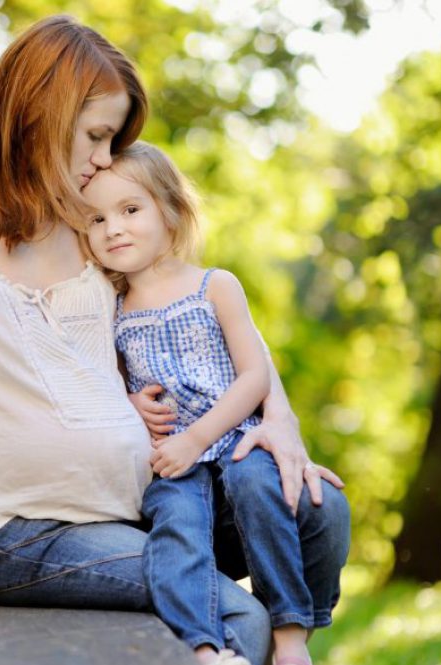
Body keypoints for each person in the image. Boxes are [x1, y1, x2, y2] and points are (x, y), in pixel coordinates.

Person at [0, 15, 349, 665]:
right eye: (96, 135)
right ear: (41, 111)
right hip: (25, 529)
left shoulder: (89, 229)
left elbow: (213, 313)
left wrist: (281, 419)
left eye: (113, 139)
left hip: (149, 500)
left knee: (314, 509)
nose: (104, 158)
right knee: (234, 612)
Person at [83, 141, 317, 665]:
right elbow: (108, 386)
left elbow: (254, 375)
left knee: (263, 494)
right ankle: (205, 647)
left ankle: (289, 635)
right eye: (95, 219)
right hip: (172, 459)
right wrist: (132, 403)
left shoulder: (216, 286)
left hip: (232, 437)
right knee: (175, 533)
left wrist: (198, 437)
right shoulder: (111, 307)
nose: (113, 228)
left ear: (170, 210)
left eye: (130, 210)